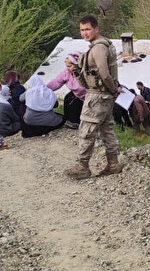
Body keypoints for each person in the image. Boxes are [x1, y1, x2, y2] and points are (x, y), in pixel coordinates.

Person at [66, 15, 122, 178]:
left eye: (88, 29)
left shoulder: (98, 48)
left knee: (87, 131)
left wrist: (113, 89)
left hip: (97, 96)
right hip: (103, 96)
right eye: (82, 30)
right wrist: (75, 70)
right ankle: (113, 163)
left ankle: (82, 166)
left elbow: (104, 75)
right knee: (107, 130)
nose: (85, 33)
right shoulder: (104, 45)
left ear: (96, 29)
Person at [46, 54, 87, 128]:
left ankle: (78, 122)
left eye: (69, 66)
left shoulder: (85, 73)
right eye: (67, 66)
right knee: (68, 99)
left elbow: (81, 87)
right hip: (76, 94)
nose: (67, 68)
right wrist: (44, 89)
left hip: (88, 95)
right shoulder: (66, 73)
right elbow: (57, 82)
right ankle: (70, 121)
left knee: (76, 104)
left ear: (77, 65)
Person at [21, 74, 66, 138]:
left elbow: (20, 99)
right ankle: (45, 129)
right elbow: (56, 105)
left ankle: (34, 131)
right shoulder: (49, 91)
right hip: (49, 121)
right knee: (62, 118)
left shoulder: (29, 92)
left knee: (23, 106)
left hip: (30, 121)